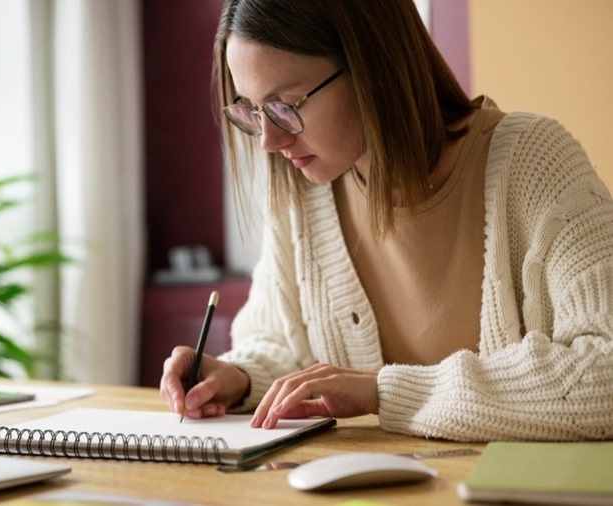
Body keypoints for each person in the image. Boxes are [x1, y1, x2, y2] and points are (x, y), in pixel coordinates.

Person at [159, 0, 613, 442]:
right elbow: (281, 342)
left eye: (286, 106)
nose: (270, 142)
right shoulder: (304, 191)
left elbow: (605, 371)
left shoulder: (536, 163)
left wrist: (386, 391)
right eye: (252, 111)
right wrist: (239, 375)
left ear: (373, 65)